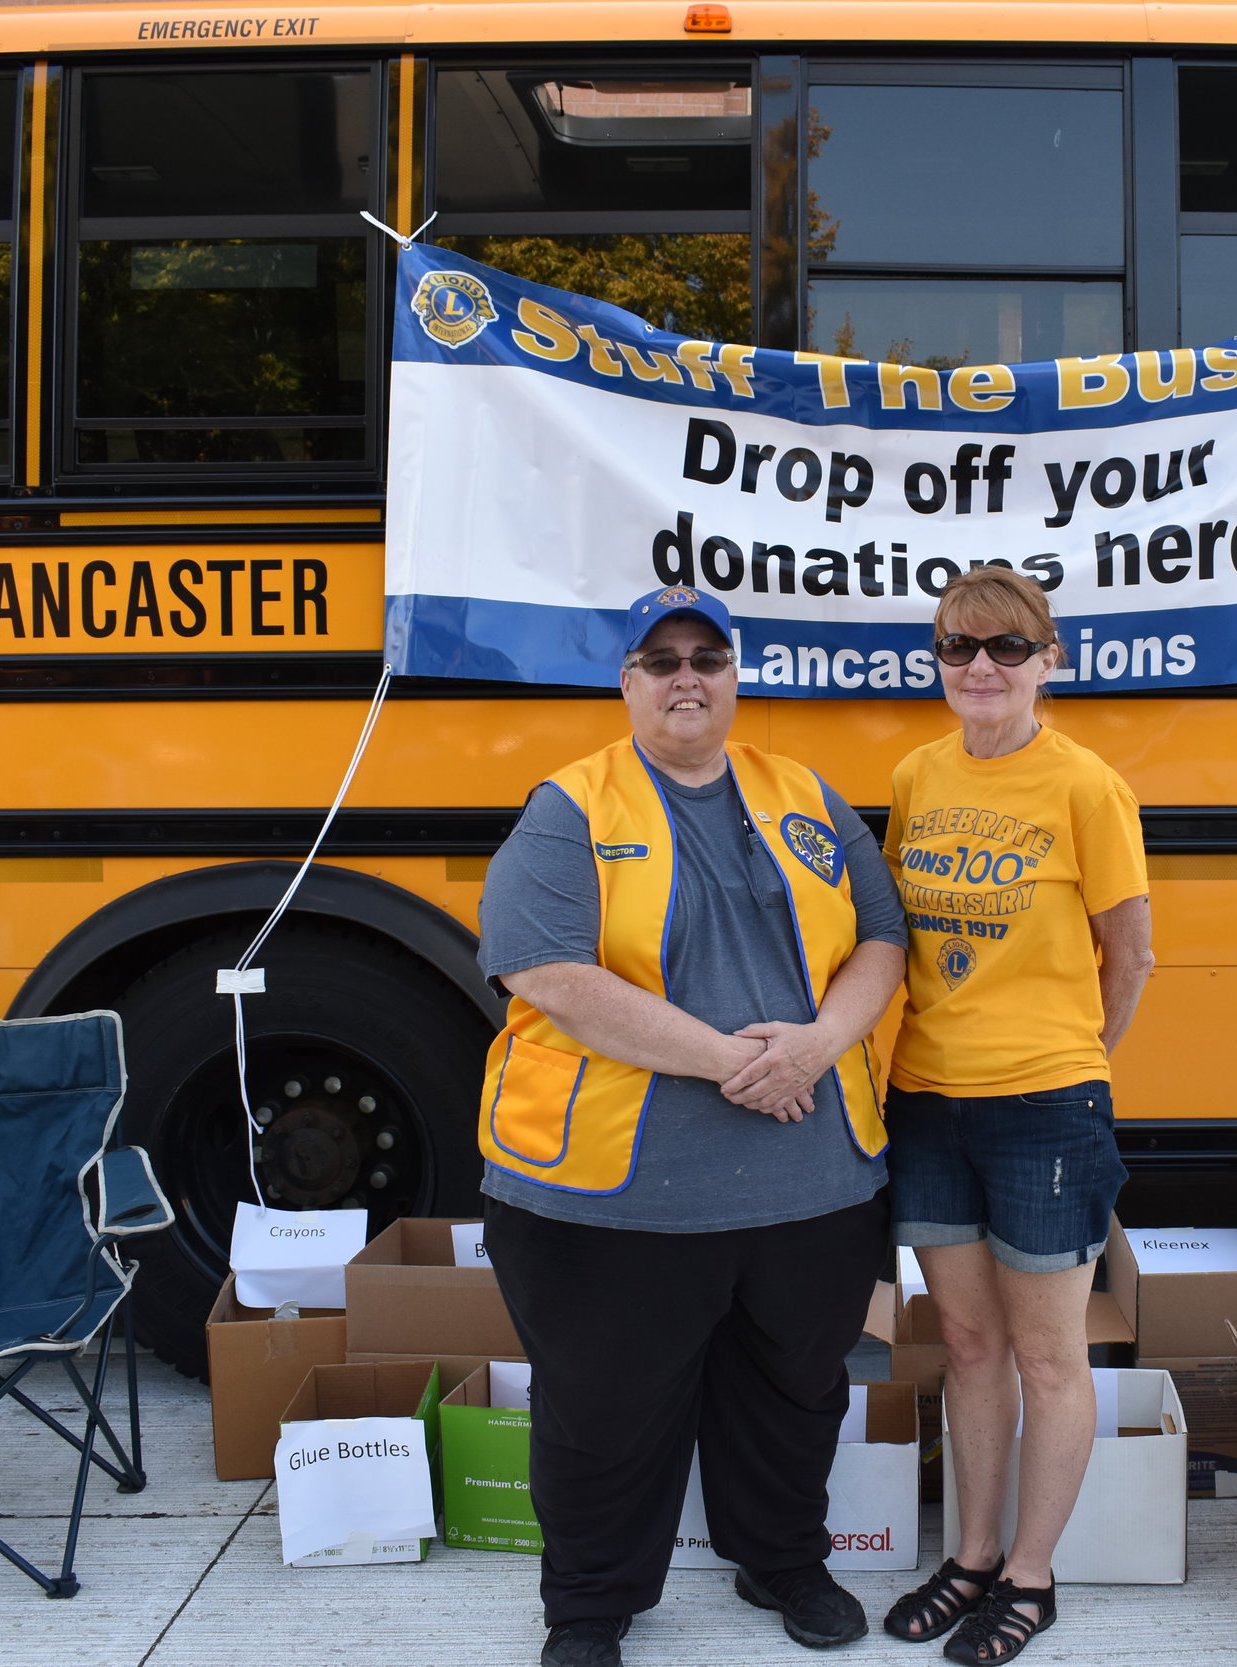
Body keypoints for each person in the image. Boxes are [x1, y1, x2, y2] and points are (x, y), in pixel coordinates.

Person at [475, 586, 909, 1667]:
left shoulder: (802, 792)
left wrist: (810, 1047)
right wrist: (733, 1063)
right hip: (610, 1197)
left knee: (794, 1393)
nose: (685, 675)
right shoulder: (570, 806)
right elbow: (548, 972)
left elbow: (884, 938)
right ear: (625, 681)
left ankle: (782, 1560)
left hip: (811, 1185)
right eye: (658, 657)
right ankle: (589, 1607)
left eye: (706, 656)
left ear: (733, 676)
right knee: (602, 1413)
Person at [876, 566, 1155, 1665]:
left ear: (1050, 658)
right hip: (928, 1101)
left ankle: (1032, 1578)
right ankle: (972, 1555)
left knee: (1049, 1357)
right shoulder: (915, 774)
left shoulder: (1086, 786)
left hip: (1043, 1107)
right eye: (957, 647)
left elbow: (1127, 955)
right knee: (967, 1340)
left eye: (1005, 646)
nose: (979, 667)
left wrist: (1068, 1062)